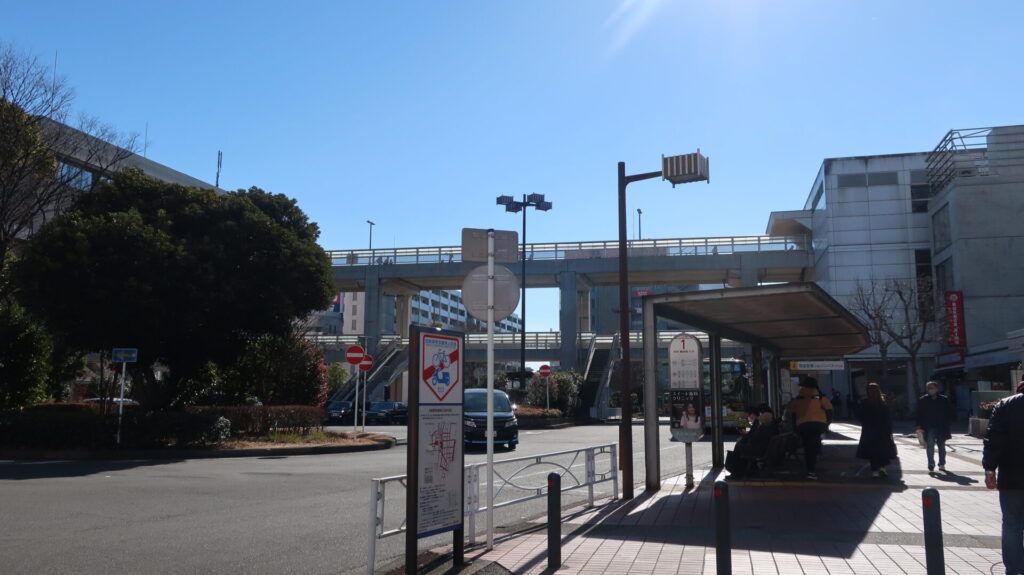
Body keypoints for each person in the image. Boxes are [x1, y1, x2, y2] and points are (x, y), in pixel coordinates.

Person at [983, 381, 1024, 575]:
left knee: (1011, 524)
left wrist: (989, 469)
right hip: (1012, 476)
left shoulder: (1006, 405)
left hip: (1012, 476)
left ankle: (1014, 569)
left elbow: (993, 439)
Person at [787, 377, 833, 480]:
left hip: (803, 425)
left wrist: (795, 428)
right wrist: (826, 425)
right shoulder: (820, 398)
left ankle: (810, 470)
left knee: (808, 447)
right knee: (812, 446)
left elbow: (793, 414)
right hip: (819, 425)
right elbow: (829, 411)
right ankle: (811, 468)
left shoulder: (798, 399)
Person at [856, 382, 898, 478]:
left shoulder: (865, 403)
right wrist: (889, 431)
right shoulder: (883, 404)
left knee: (872, 451)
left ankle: (875, 469)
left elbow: (859, 416)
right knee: (882, 450)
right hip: (882, 431)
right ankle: (882, 467)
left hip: (869, 431)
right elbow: (888, 419)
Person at [726, 407, 780, 478]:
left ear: (765, 419)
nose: (760, 417)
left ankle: (736, 472)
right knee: (741, 445)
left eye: (762, 415)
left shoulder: (763, 428)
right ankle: (746, 469)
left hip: (760, 451)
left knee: (739, 447)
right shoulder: (770, 428)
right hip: (764, 450)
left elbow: (753, 439)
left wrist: (745, 440)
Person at [916, 380, 955, 472]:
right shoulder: (923, 400)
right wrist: (918, 425)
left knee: (941, 446)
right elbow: (919, 414)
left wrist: (948, 424)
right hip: (929, 427)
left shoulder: (943, 399)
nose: (930, 390)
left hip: (941, 427)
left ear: (937, 389)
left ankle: (942, 464)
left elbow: (949, 413)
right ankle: (931, 463)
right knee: (930, 445)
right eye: (928, 388)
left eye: (932, 388)